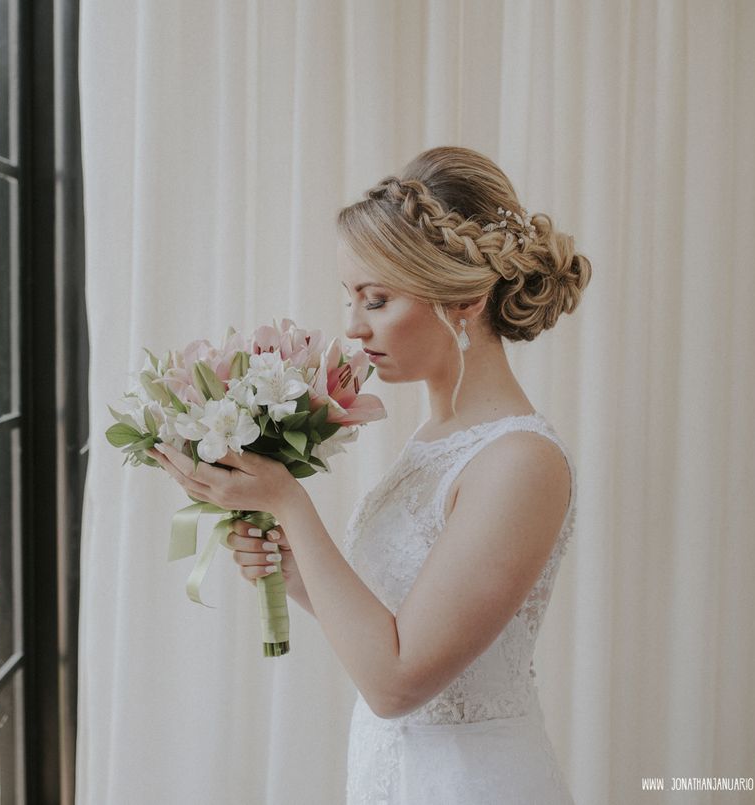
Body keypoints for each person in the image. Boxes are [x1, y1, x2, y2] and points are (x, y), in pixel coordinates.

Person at [149, 146, 590, 804]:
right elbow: (395, 626)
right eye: (351, 297)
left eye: (375, 299)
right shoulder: (436, 439)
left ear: (464, 298)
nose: (353, 327)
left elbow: (396, 680)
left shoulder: (521, 462)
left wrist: (293, 504)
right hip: (392, 772)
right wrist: (292, 565)